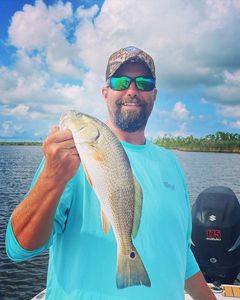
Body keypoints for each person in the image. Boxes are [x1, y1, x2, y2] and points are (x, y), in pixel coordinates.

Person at [6, 46, 216, 300]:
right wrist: (52, 179)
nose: (132, 90)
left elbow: (181, 254)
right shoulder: (69, 158)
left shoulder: (172, 164)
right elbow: (19, 248)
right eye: (120, 81)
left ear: (155, 94)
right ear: (105, 93)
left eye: (143, 82)